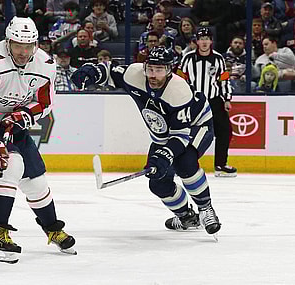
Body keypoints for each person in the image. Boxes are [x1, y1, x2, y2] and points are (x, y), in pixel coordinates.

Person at [0, 16, 76, 264]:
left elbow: (45, 102)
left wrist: (24, 114)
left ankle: (52, 228)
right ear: (7, 41)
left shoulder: (46, 64)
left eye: (28, 45)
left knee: (36, 181)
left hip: (12, 123)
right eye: (17, 45)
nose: (23, 52)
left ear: (35, 44)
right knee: (11, 166)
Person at [71, 46, 221, 237]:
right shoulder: (135, 75)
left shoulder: (179, 91)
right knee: (157, 182)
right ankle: (186, 217)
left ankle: (206, 209)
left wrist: (165, 155)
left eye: (159, 70)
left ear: (169, 70)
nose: (153, 74)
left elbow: (180, 137)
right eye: (150, 68)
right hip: (166, 133)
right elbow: (110, 71)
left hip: (197, 126)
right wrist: (91, 71)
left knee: (185, 163)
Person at [177, 27, 237, 178]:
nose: (204, 42)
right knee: (186, 132)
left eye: (207, 39)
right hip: (194, 101)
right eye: (201, 39)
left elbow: (223, 80)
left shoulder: (218, 59)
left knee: (225, 131)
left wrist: (227, 99)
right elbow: (180, 80)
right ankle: (181, 164)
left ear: (211, 41)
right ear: (196, 41)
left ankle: (220, 165)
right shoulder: (187, 58)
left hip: (214, 101)